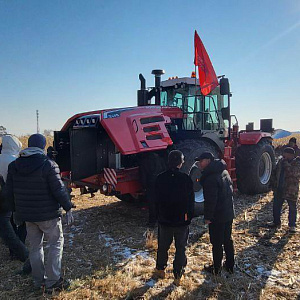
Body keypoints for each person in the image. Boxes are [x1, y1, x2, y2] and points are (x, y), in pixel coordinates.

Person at [5, 133, 74, 293]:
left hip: (28, 216)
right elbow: (59, 190)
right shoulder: (49, 165)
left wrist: (16, 211)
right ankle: (53, 281)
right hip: (48, 215)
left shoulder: (14, 166)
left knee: (35, 247)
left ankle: (38, 281)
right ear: (42, 146)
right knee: (56, 244)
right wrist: (68, 206)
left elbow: (9, 193)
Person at [154, 150, 194, 286]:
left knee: (162, 247)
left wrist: (157, 216)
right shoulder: (186, 179)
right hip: (181, 221)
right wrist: (189, 218)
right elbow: (190, 202)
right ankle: (178, 276)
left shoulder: (160, 178)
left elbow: (155, 200)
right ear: (181, 163)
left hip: (164, 219)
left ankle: (160, 269)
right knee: (180, 248)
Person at [197, 152, 235, 275]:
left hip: (218, 216)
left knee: (217, 243)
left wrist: (208, 217)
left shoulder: (210, 178)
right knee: (227, 240)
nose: (199, 163)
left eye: (201, 160)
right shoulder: (224, 172)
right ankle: (230, 265)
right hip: (228, 212)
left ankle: (216, 269)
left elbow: (211, 200)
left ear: (208, 161)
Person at [0, 135, 30, 273]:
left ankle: (14, 251)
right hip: (15, 196)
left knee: (9, 224)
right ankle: (21, 250)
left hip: (2, 196)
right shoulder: (16, 161)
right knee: (22, 222)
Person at [268, 147, 300, 233]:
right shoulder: (281, 162)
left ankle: (292, 225)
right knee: (276, 206)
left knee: (292, 208)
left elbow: (294, 174)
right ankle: (276, 222)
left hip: (291, 189)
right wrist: (273, 184)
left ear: (291, 155)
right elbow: (275, 172)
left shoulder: (297, 163)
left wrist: (286, 164)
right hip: (279, 188)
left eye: (285, 154)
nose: (283, 155)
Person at [139, 152, 166, 227]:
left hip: (151, 184)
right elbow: (164, 169)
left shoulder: (144, 161)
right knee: (160, 201)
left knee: (152, 204)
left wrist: (144, 186)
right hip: (160, 182)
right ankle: (161, 218)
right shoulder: (160, 159)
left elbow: (143, 176)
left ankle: (152, 222)